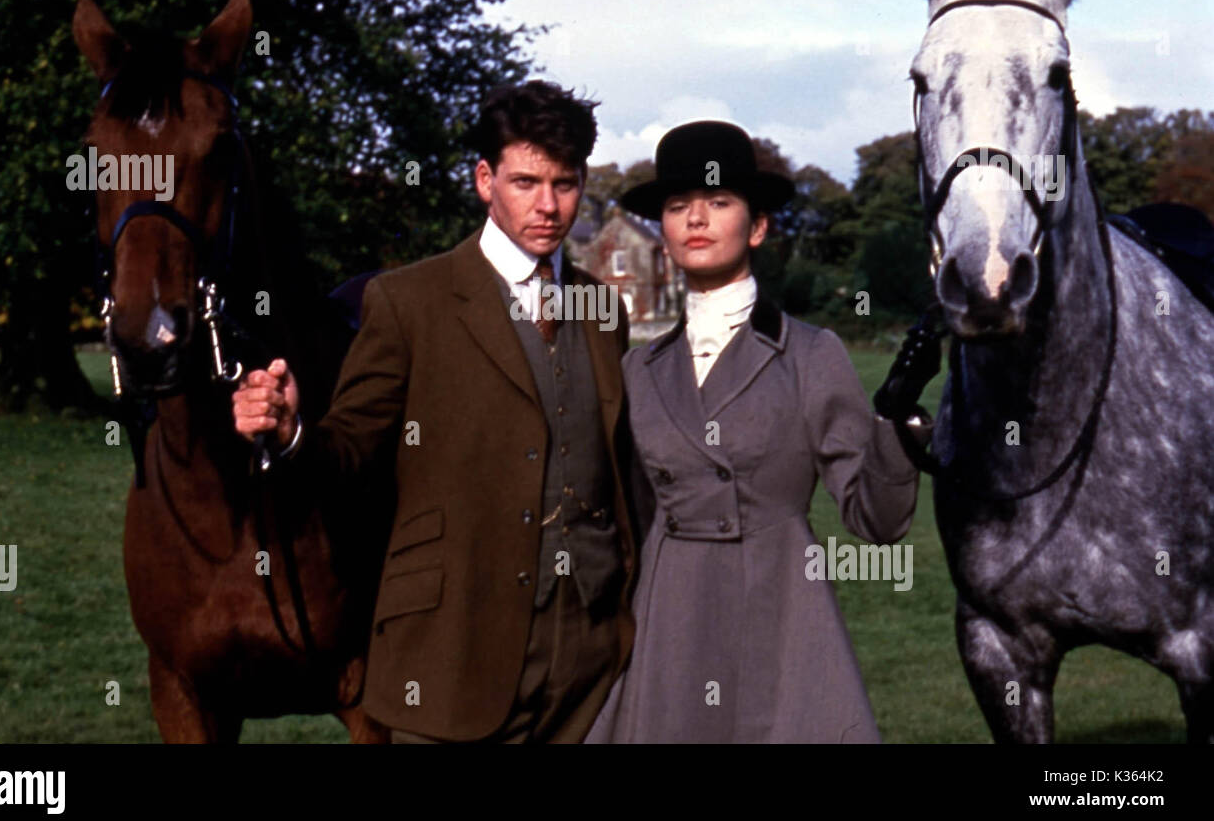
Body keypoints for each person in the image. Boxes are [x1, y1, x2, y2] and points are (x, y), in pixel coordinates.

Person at [232, 80, 639, 743]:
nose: (547, 206)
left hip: (591, 661)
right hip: (455, 654)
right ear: (485, 180)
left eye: (564, 185)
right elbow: (348, 454)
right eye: (525, 182)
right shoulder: (407, 302)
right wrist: (290, 434)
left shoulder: (602, 309)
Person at [584, 120, 938, 743]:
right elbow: (631, 521)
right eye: (678, 206)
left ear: (757, 227)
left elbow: (876, 521)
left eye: (718, 202)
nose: (696, 218)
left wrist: (895, 424)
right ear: (662, 232)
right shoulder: (638, 369)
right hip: (672, 623)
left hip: (780, 613)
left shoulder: (810, 353)